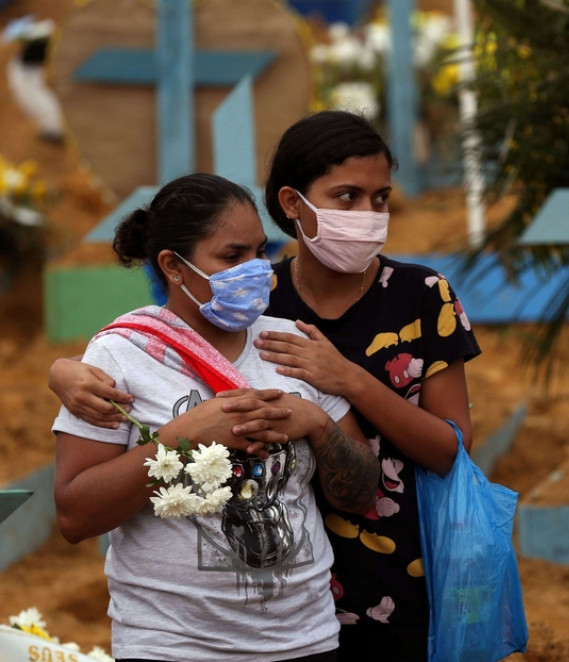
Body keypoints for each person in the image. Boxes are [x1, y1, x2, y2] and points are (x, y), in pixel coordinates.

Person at [50, 111, 482, 660]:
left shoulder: (305, 332)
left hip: (368, 587)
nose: (252, 270)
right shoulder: (231, 310)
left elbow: (408, 465)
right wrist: (69, 374)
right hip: (181, 638)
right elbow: (154, 345)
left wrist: (329, 410)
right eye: (347, 196)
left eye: (380, 198)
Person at [51, 172, 380, 662]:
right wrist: (181, 437)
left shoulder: (291, 345)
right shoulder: (120, 356)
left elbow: (359, 493)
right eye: (232, 257)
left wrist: (316, 423)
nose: (256, 270)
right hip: (173, 645)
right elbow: (75, 516)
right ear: (174, 266)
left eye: (260, 252)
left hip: (306, 641)